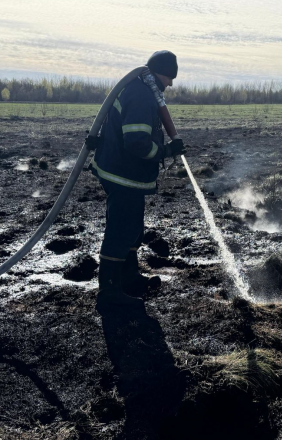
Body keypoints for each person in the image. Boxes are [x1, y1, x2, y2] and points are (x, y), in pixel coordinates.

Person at [90, 50, 186, 313]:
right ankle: (109, 291)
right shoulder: (141, 95)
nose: (170, 84)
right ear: (159, 73)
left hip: (126, 175)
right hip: (122, 175)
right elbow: (136, 142)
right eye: (169, 78)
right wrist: (165, 152)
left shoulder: (141, 89)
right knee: (121, 232)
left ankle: (128, 277)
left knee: (133, 230)